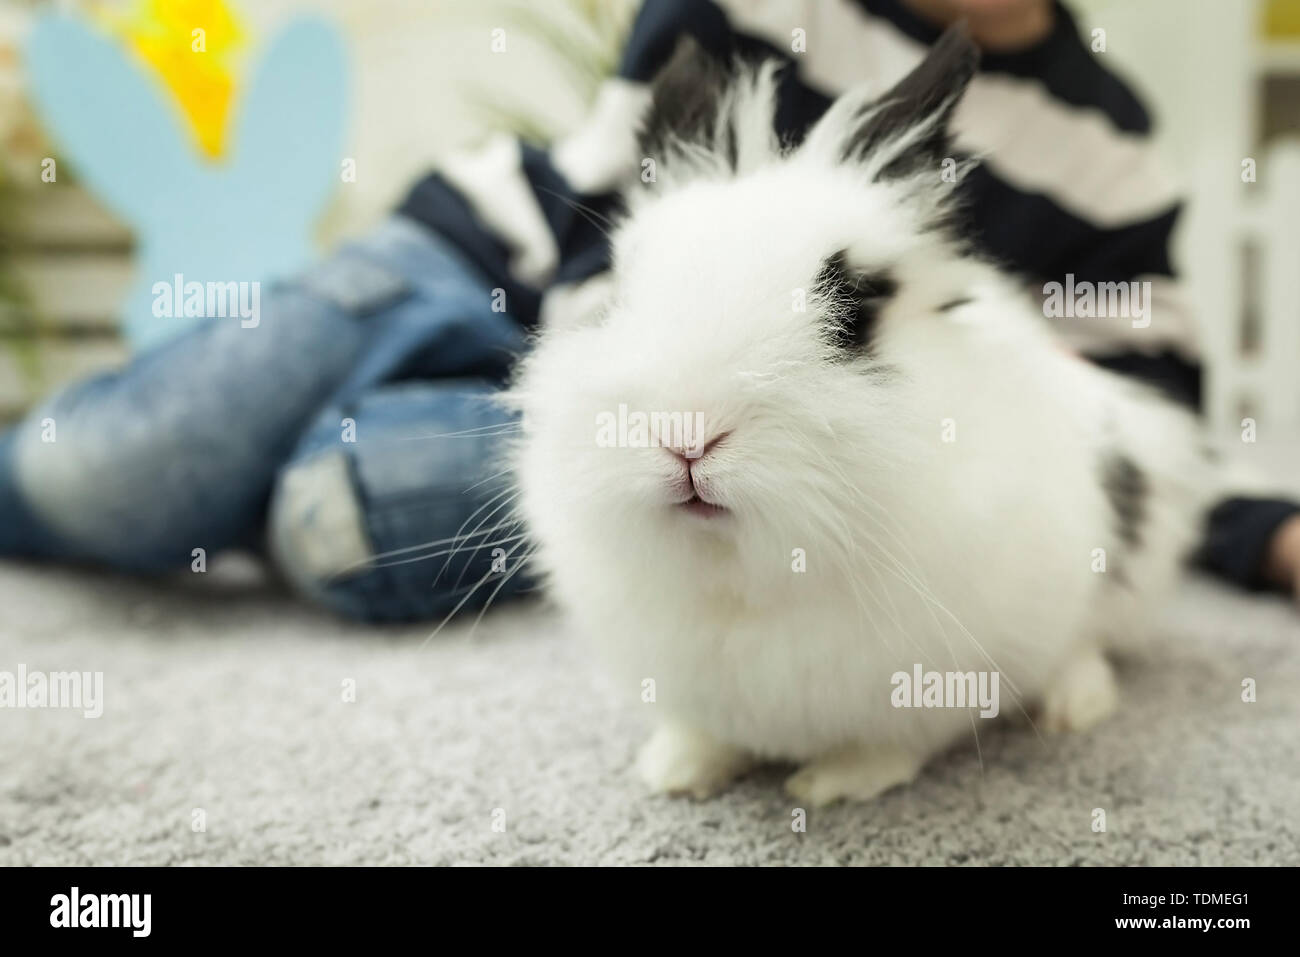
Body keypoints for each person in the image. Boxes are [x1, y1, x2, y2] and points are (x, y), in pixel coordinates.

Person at [2, 0, 1297, 622]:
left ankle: (288, 453)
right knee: (105, 475)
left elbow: (1138, 398)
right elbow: (599, 248)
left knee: (337, 517)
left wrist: (1266, 532)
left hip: (727, 439)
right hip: (516, 287)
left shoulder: (1111, 142)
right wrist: (590, 425)